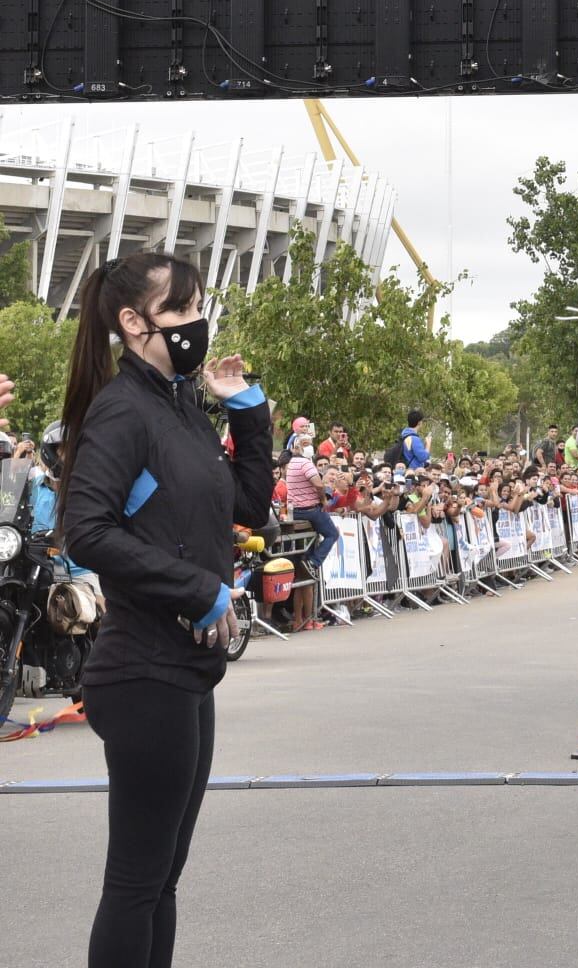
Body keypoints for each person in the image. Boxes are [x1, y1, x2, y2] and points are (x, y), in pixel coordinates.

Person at [57, 252, 272, 968]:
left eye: (198, 306)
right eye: (179, 310)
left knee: (162, 880)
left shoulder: (179, 405)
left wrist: (247, 410)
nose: (196, 323)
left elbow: (246, 506)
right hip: (143, 669)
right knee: (136, 882)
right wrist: (197, 588)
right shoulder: (123, 410)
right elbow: (88, 530)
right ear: (132, 322)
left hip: (187, 667)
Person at [285, 433, 339, 576]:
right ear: (297, 446)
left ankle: (306, 560)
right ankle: (313, 562)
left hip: (295, 510)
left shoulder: (291, 462)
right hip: (309, 510)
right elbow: (318, 485)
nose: (309, 446)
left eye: (309, 443)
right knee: (332, 534)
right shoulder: (305, 463)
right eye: (305, 444)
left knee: (311, 539)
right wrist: (323, 500)